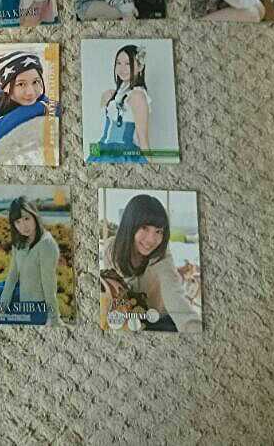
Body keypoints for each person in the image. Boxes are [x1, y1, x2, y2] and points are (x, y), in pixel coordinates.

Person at [100, 194, 202, 332]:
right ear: (130, 225)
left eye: (158, 231)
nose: (151, 240)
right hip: (126, 320)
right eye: (144, 228)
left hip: (158, 320)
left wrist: (195, 330)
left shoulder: (161, 256)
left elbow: (174, 295)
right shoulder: (111, 250)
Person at [0, 51, 58, 161]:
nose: (31, 92)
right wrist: (34, 108)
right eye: (21, 84)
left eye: (35, 82)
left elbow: (58, 109)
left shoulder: (38, 98)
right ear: (6, 88)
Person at [0, 197, 62, 325]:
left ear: (35, 216)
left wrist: (54, 317)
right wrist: (2, 306)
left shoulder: (46, 244)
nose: (23, 226)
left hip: (38, 307)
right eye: (18, 222)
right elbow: (13, 275)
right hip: (21, 301)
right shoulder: (19, 242)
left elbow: (49, 283)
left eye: (26, 219)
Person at [89, 44, 150, 163]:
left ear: (140, 67)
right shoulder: (109, 94)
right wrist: (91, 158)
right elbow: (98, 133)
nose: (122, 68)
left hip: (123, 154)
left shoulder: (137, 96)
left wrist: (152, 167)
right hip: (100, 151)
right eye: (119, 63)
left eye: (128, 64)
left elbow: (143, 139)